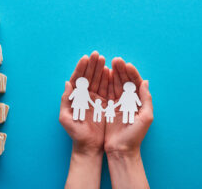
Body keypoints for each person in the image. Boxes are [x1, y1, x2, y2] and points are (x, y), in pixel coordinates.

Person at [59, 51, 153, 189]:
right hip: (85, 106)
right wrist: (87, 149)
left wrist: (123, 150)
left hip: (116, 109)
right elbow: (118, 102)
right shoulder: (82, 91)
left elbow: (120, 103)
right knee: (81, 112)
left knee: (126, 115)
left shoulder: (129, 96)